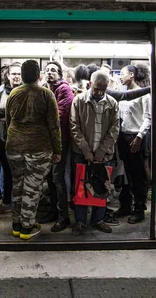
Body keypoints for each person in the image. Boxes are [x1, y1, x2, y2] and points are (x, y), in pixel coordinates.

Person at [6, 60, 61, 240]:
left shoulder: (13, 93)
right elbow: (54, 125)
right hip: (39, 148)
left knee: (17, 184)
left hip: (14, 146)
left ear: (21, 76)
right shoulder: (46, 94)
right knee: (32, 187)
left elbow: (8, 121)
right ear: (39, 76)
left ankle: (16, 224)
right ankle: (26, 228)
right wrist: (58, 149)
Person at [70, 70, 120, 235]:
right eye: (97, 88)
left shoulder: (112, 103)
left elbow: (114, 129)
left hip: (104, 155)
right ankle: (80, 221)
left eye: (103, 88)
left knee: (102, 188)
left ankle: (98, 219)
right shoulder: (79, 101)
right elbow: (74, 127)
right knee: (81, 187)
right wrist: (86, 150)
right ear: (90, 84)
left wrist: (101, 151)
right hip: (82, 153)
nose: (99, 92)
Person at [115, 65, 151, 224]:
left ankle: (139, 209)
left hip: (135, 137)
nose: (120, 77)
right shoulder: (123, 94)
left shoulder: (144, 95)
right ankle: (125, 205)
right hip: (122, 136)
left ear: (132, 74)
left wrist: (139, 137)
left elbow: (148, 119)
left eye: (122, 74)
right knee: (125, 174)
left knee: (137, 175)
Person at [42, 61, 75, 232]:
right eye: (47, 70)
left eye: (53, 70)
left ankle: (64, 217)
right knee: (50, 178)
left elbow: (61, 116)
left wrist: (41, 120)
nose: (49, 73)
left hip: (61, 140)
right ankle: (53, 212)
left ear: (60, 74)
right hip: (47, 140)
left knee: (58, 179)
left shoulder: (64, 89)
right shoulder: (44, 89)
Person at [0, 62, 22, 214]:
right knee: (7, 170)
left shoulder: (25, 92)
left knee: (21, 172)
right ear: (8, 76)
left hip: (22, 139)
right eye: (13, 73)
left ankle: (21, 202)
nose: (16, 76)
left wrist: (3, 111)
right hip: (2, 137)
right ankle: (8, 201)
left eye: (18, 73)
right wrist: (9, 112)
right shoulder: (2, 92)